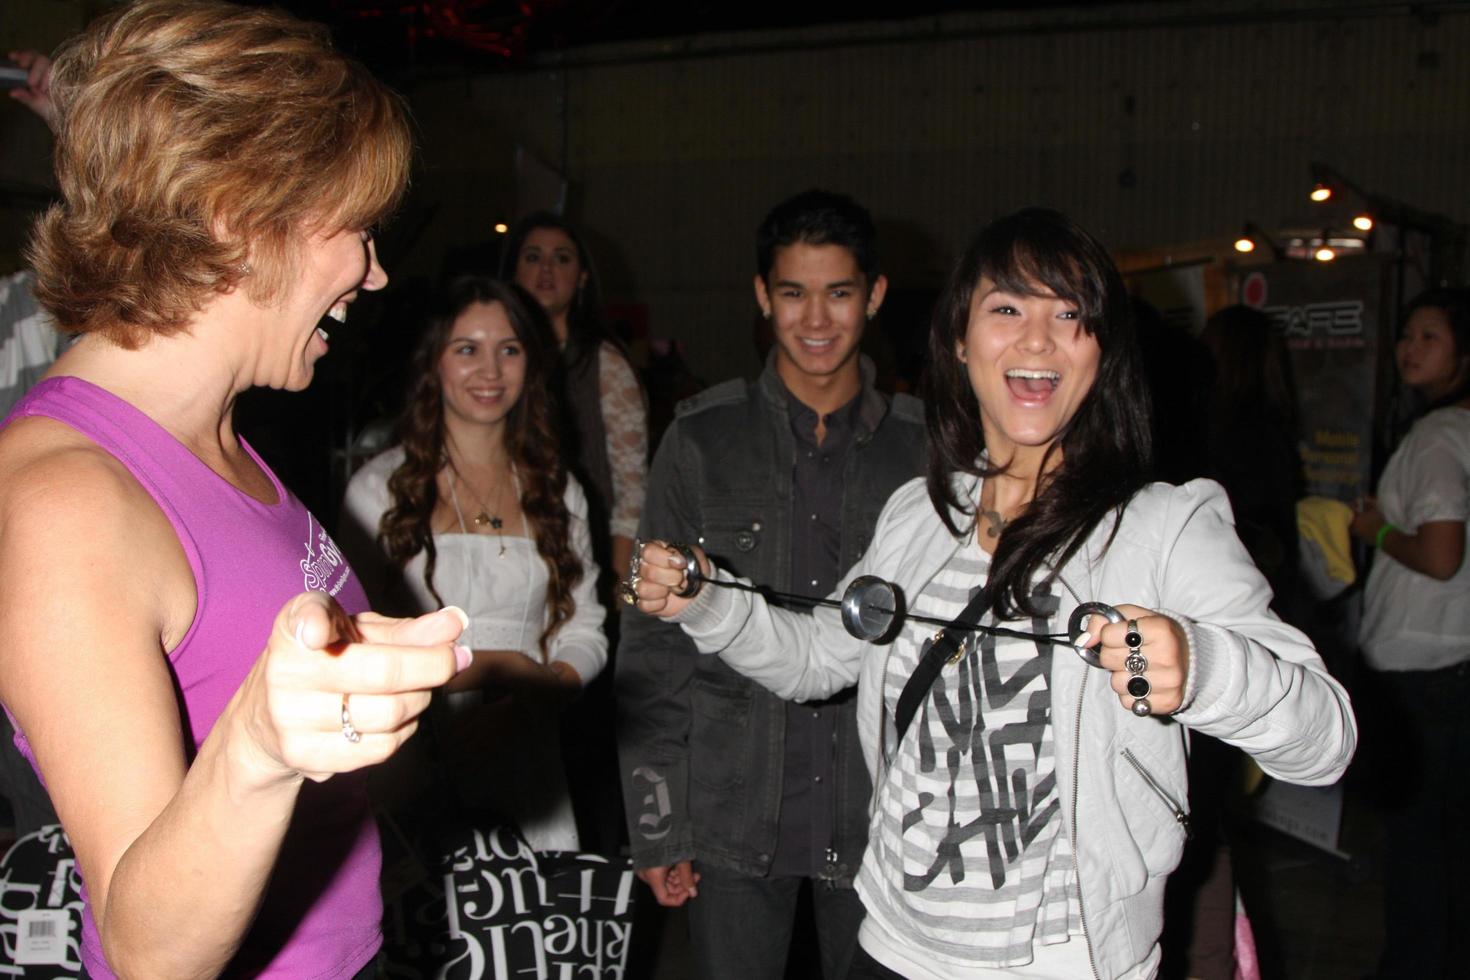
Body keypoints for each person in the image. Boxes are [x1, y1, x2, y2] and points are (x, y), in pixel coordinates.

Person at [628, 208, 1356, 980]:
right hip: (890, 941)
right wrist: (707, 601)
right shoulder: (921, 514)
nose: (1036, 338)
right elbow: (818, 658)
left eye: (1069, 314)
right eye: (1007, 308)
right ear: (959, 340)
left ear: (1101, 352)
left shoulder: (1163, 529)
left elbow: (1327, 737)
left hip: (1062, 962)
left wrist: (1203, 668)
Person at [0, 3, 470, 978]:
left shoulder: (222, 436)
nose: (375, 275)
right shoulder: (65, 498)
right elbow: (147, 950)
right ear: (237, 219)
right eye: (358, 229)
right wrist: (260, 743)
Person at [617, 189, 927, 979]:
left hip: (884, 823)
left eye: (839, 292)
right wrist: (659, 824)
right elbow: (654, 650)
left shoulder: (928, 452)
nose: (816, 319)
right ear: (762, 296)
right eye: (793, 293)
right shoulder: (699, 443)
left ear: (876, 294)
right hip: (730, 816)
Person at [339, 276, 606, 851]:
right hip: (415, 754)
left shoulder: (559, 491)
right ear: (433, 361)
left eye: (508, 349)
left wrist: (545, 687)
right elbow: (352, 641)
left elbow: (587, 624)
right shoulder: (377, 490)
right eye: (467, 349)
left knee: (532, 932)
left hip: (530, 755)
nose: (491, 370)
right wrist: (485, 670)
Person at [1350, 287, 1470, 980]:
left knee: (1418, 847)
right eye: (1407, 334)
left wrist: (1378, 530)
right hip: (1454, 658)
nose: (1408, 348)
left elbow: (1441, 553)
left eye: (1430, 336)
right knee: (1448, 843)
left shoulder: (1436, 437)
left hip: (1421, 671)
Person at [504, 211, 648, 580]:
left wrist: (617, 575)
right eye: (533, 257)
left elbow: (632, 489)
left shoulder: (605, 363)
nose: (546, 269)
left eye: (562, 258)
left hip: (585, 556)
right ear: (513, 272)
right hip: (506, 548)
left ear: (582, 277)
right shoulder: (492, 358)